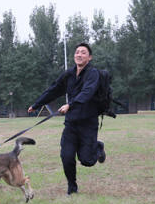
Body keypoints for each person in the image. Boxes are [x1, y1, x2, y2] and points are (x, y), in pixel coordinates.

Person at [27, 42, 105, 195]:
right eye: (77, 52)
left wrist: (70, 104)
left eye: (83, 52)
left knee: (87, 160)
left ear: (89, 57)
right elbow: (54, 89)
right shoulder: (69, 75)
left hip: (88, 123)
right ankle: (72, 187)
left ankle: (98, 146)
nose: (79, 54)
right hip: (71, 124)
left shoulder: (93, 74)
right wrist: (37, 104)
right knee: (66, 156)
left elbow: (87, 92)